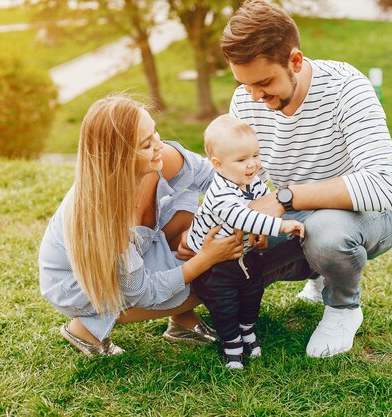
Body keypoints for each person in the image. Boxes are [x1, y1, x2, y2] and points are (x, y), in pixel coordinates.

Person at [220, 0, 392, 358]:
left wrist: (284, 198)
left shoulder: (347, 87)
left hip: (365, 217)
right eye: (244, 83)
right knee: (225, 244)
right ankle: (315, 276)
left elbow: (382, 186)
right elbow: (239, 177)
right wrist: (242, 216)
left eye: (264, 82)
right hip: (296, 220)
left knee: (327, 233)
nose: (254, 95)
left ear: (296, 61)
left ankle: (343, 307)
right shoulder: (247, 98)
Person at [38, 94, 244, 357]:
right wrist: (206, 258)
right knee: (210, 276)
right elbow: (142, 292)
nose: (159, 145)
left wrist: (249, 214)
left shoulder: (163, 159)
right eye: (146, 144)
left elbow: (219, 180)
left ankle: (181, 320)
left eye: (154, 132)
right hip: (80, 281)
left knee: (193, 224)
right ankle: (85, 328)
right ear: (118, 158)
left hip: (139, 246)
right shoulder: (103, 213)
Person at [186, 114, 304, 369]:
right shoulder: (219, 195)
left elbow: (265, 204)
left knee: (252, 294)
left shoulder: (252, 183)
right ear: (217, 164)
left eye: (255, 155)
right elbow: (245, 217)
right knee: (224, 304)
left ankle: (247, 329)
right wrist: (282, 226)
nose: (252, 164)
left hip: (244, 255)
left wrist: (261, 231)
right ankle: (232, 343)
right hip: (214, 264)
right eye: (241, 160)